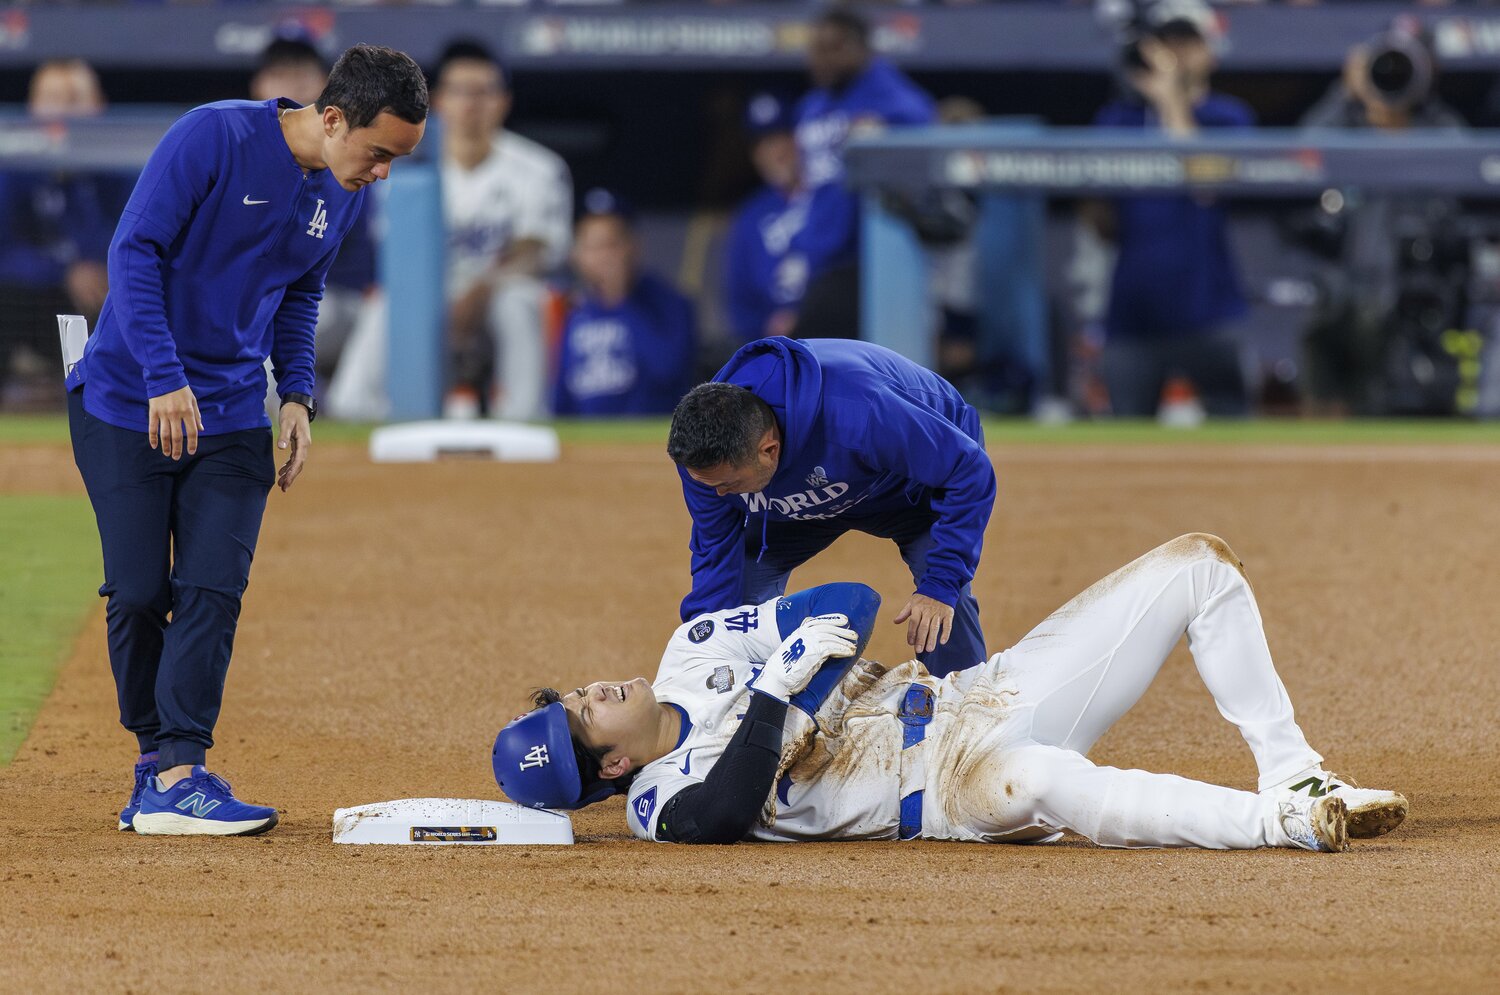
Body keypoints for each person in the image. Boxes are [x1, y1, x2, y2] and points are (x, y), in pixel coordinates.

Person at [492, 534, 1408, 852]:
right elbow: (725, 812)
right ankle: (1279, 826)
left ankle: (1296, 775)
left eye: (573, 690)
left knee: (1199, 566)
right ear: (611, 761)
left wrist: (794, 684)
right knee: (1045, 784)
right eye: (583, 714)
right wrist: (782, 688)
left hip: (983, 689)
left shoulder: (691, 648)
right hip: (956, 781)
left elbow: (846, 602)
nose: (593, 687)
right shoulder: (659, 802)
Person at [66, 44, 427, 836]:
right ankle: (155, 757)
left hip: (231, 412)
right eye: (378, 152)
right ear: (332, 119)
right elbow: (135, 252)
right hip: (128, 397)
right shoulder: (211, 137)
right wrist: (164, 375)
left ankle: (179, 770)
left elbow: (302, 289)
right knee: (136, 593)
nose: (383, 172)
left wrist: (296, 394)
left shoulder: (343, 188)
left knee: (212, 589)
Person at [667, 338, 993, 678]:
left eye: (729, 485)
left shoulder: (860, 410)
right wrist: (703, 648)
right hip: (797, 500)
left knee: (939, 596)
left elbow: (968, 470)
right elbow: (716, 555)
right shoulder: (706, 459)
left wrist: (941, 584)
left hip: (907, 486)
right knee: (736, 606)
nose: (719, 495)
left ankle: (965, 705)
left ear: (769, 449)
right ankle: (746, 711)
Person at [1085, 0, 1253, 417]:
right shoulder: (1119, 120)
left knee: (1234, 434)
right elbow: (1097, 215)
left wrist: (1170, 100)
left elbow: (1206, 186)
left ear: (1211, 53)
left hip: (1208, 308)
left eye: (1189, 42)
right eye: (1168, 42)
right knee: (1125, 440)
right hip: (1132, 311)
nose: (1176, 54)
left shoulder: (1226, 117)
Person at [1296, 21, 1468, 416]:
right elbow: (1299, 157)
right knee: (1326, 399)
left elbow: (1461, 209)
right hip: (1342, 291)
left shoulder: (1442, 131)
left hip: (1418, 298)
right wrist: (1346, 92)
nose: (1393, 75)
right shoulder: (1343, 125)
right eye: (1384, 63)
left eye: (1406, 64)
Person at [438, 39, 572, 420]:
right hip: (433, 298)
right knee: (394, 306)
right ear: (439, 100)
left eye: (484, 92)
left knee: (518, 301)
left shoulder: (539, 167)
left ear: (504, 101)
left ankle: (522, 419)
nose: (471, 104)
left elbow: (535, 251)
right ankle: (373, 418)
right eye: (460, 91)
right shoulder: (404, 169)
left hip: (501, 291)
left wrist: (480, 289)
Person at [250, 35, 384, 397]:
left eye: (303, 73)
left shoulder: (353, 151)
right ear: (259, 84)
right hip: (268, 302)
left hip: (344, 299)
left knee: (263, 354)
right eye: (280, 73)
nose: (292, 84)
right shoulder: (240, 149)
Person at [792, 8, 935, 338]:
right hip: (820, 259)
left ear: (860, 48)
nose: (820, 59)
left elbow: (923, 124)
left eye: (833, 49)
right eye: (816, 49)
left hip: (869, 262)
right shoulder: (811, 105)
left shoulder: (890, 98)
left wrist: (886, 133)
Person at [0, 59, 130, 406]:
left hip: (110, 300)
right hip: (40, 300)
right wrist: (65, 270)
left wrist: (98, 262)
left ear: (99, 105)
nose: (63, 113)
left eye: (74, 99)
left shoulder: (126, 162)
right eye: (52, 99)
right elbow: (5, 248)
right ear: (32, 107)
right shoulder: (13, 164)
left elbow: (138, 238)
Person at [722, 93, 855, 344]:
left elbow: (850, 277)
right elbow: (740, 303)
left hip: (837, 338)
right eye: (764, 144)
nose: (777, 152)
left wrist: (803, 316)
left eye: (783, 138)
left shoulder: (836, 196)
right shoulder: (750, 217)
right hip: (775, 351)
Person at [552, 190, 696, 417]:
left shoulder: (668, 302)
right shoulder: (576, 310)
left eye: (612, 244)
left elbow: (669, 373)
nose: (604, 256)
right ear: (576, 255)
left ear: (633, 246)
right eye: (592, 246)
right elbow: (561, 399)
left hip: (650, 437)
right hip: (587, 441)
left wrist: (621, 301)